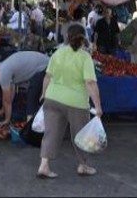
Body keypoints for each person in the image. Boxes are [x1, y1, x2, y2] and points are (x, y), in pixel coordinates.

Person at [37, 24, 103, 179]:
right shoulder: (85, 57)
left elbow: (48, 76)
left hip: (52, 97)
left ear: (67, 37)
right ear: (83, 39)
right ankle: (83, 165)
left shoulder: (58, 53)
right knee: (80, 135)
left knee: (50, 133)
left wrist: (43, 93)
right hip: (76, 103)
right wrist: (98, 106)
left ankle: (43, 165)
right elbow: (90, 83)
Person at [0, 51, 50, 125]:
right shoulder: (3, 66)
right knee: (35, 96)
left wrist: (6, 120)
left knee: (32, 96)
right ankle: (33, 123)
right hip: (46, 63)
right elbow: (10, 94)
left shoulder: (3, 72)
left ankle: (30, 126)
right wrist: (2, 110)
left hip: (46, 67)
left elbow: (6, 100)